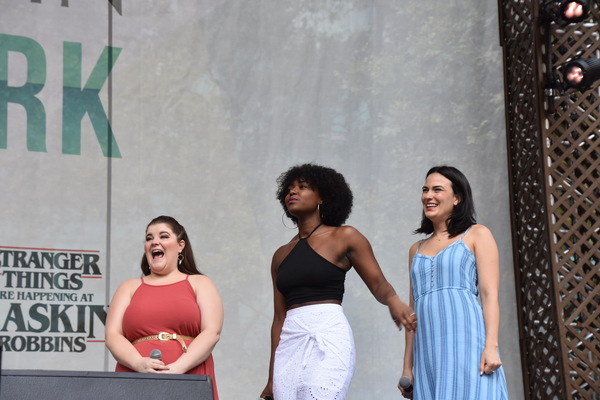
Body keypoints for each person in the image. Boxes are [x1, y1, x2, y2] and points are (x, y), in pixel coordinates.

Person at [260, 163, 417, 400]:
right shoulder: (280, 255)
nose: (292, 192)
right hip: (290, 344)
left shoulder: (345, 236)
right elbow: (279, 319)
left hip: (328, 335)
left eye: (302, 187)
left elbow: (378, 283)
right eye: (289, 188)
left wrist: (393, 300)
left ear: (323, 196)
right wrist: (272, 377)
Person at [398, 166, 508, 399]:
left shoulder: (477, 234)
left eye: (437, 189)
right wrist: (407, 367)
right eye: (425, 190)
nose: (428, 195)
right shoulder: (415, 250)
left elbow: (490, 295)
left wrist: (491, 346)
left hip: (467, 342)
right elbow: (412, 314)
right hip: (428, 351)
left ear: (457, 197)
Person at [105, 215, 223, 399]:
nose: (154, 242)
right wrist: (138, 363)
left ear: (181, 245)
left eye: (164, 236)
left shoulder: (200, 283)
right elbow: (112, 335)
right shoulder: (128, 287)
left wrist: (178, 368)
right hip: (135, 378)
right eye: (149, 238)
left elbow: (212, 332)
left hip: (190, 373)